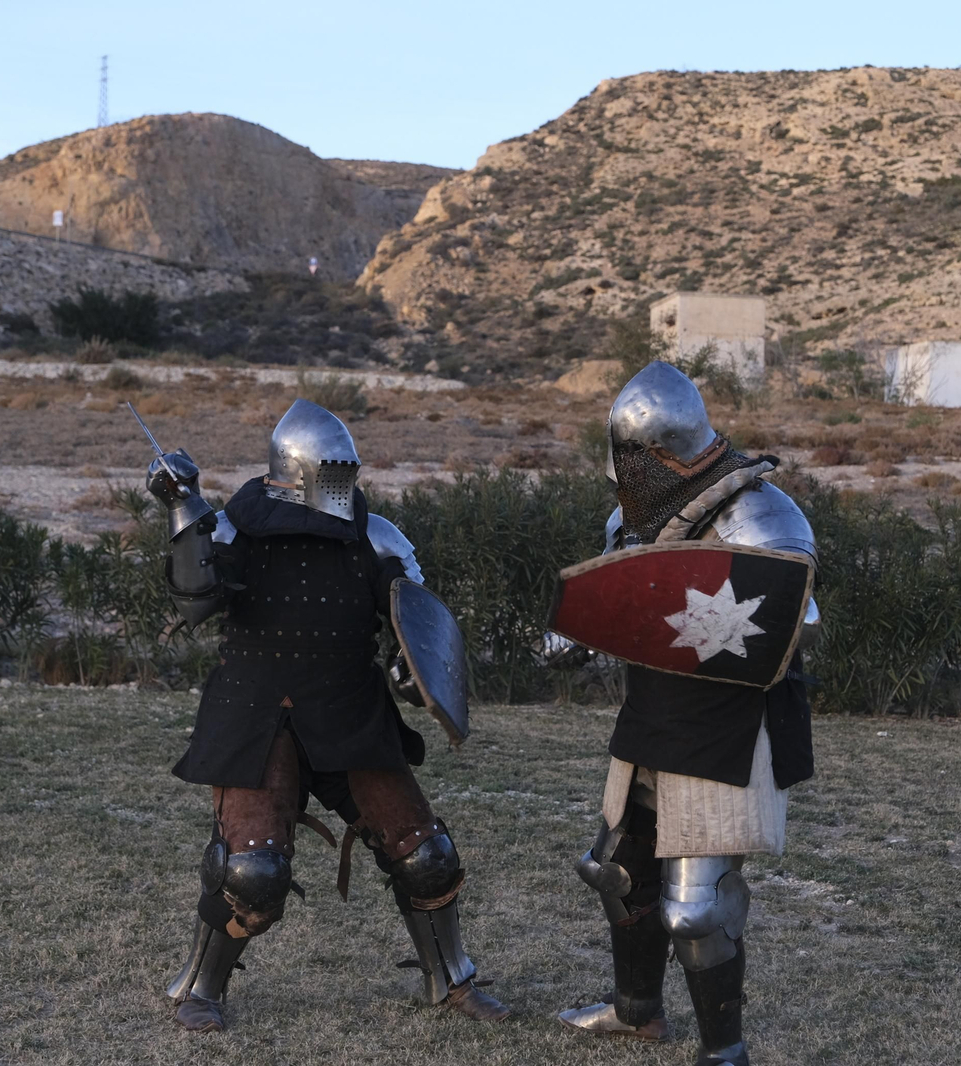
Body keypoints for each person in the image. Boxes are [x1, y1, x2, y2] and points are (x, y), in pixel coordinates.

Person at [148, 398, 509, 1034]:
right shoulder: (230, 530)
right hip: (257, 713)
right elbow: (195, 601)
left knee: (427, 855)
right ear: (297, 473)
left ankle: (450, 978)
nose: (343, 489)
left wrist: (407, 666)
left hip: (348, 709)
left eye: (348, 475)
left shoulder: (377, 535)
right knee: (252, 871)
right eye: (331, 476)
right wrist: (184, 508)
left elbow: (413, 621)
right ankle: (200, 988)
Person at [555, 361, 819, 1066]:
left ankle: (723, 1050)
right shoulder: (633, 518)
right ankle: (636, 1011)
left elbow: (786, 625)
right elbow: (626, 608)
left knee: (695, 908)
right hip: (653, 711)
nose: (620, 475)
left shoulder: (760, 513)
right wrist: (575, 632)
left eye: (628, 459)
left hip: (726, 723)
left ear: (650, 455)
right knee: (616, 869)